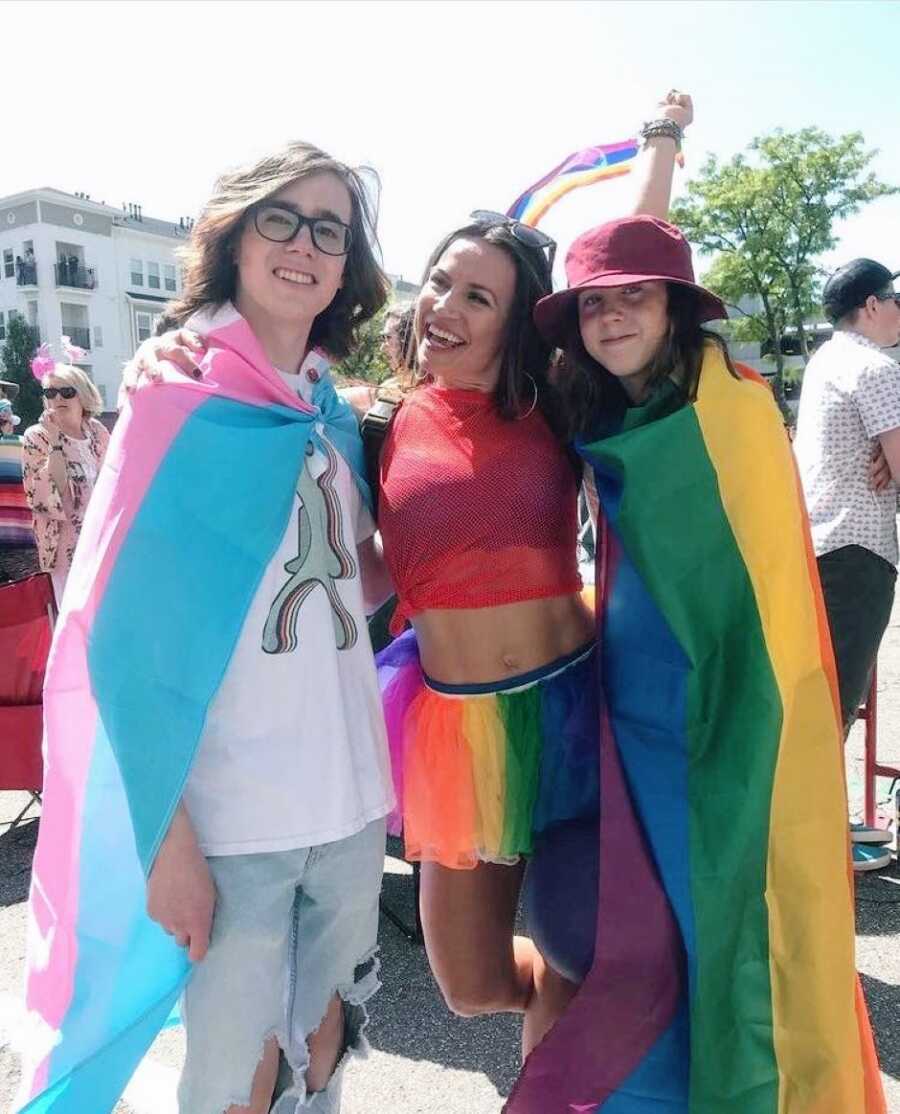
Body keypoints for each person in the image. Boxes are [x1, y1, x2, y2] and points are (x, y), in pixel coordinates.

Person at [19, 142, 395, 1114]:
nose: (304, 245)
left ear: (348, 265)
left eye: (330, 231)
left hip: (350, 803)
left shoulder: (330, 416)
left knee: (325, 1053)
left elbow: (357, 590)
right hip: (237, 819)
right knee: (237, 1080)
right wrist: (167, 841)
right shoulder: (172, 401)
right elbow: (121, 639)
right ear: (233, 236)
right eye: (281, 218)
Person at [505, 215, 886, 1111]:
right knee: (652, 937)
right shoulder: (609, 410)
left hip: (722, 723)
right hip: (631, 718)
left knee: (724, 931)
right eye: (593, 304)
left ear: (677, 308)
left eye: (635, 295)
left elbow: (755, 607)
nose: (611, 317)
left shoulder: (735, 411)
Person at [794, 259, 900, 872]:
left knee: (823, 697)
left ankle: (824, 825)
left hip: (820, 546)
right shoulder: (877, 367)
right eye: (894, 300)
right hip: (857, 553)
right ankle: (816, 847)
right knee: (835, 703)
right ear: (870, 304)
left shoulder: (826, 360)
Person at [21, 358, 109, 602]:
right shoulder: (36, 437)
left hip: (102, 539)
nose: (57, 399)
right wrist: (56, 441)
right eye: (51, 392)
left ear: (83, 396)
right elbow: (50, 494)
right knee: (77, 614)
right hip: (66, 544)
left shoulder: (97, 432)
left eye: (66, 392)